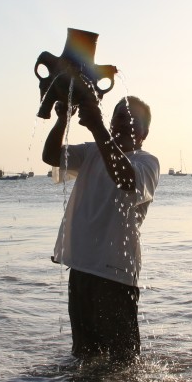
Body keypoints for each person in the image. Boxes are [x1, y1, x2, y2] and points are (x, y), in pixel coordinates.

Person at [42, 88, 160, 364]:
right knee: (84, 358)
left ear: (143, 134)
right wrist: (62, 120)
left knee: (124, 363)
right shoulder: (92, 151)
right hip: (81, 268)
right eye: (119, 116)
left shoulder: (146, 162)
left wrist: (96, 127)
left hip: (116, 275)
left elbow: (126, 181)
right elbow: (50, 156)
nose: (122, 123)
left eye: (131, 120)